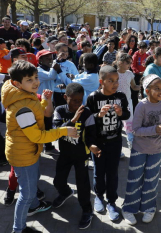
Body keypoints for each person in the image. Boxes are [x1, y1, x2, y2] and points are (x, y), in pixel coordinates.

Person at [2, 61, 77, 233]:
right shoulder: (22, 107)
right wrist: (62, 131)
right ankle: (18, 229)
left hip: (28, 150)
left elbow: (36, 113)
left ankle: (34, 205)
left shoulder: (24, 95)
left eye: (36, 77)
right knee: (26, 194)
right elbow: (36, 135)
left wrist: (44, 101)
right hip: (24, 154)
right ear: (17, 83)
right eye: (29, 79)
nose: (36, 82)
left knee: (32, 180)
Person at [121, 75, 161, 225]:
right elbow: (136, 130)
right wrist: (155, 129)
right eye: (156, 89)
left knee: (152, 180)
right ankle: (129, 209)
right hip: (139, 149)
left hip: (157, 149)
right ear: (147, 91)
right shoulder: (141, 106)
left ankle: (149, 208)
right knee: (135, 179)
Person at [86, 65, 130, 221]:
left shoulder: (121, 97)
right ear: (101, 81)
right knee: (98, 172)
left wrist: (120, 113)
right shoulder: (93, 97)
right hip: (98, 142)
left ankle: (112, 201)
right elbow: (87, 118)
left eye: (117, 80)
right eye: (110, 80)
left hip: (115, 142)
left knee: (112, 173)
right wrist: (98, 114)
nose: (115, 84)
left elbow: (126, 114)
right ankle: (99, 197)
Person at [52, 83, 96, 229]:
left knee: (82, 184)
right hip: (64, 154)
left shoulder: (87, 112)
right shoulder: (59, 110)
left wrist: (92, 146)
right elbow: (56, 130)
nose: (78, 104)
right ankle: (65, 192)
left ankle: (87, 210)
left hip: (81, 156)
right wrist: (73, 120)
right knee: (58, 180)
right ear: (65, 97)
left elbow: (91, 134)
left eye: (80, 100)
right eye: (75, 100)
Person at [113, 53, 140, 149]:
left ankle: (131, 142)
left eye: (131, 63)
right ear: (120, 63)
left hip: (128, 101)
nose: (130, 65)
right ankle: (117, 147)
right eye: (128, 62)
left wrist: (143, 87)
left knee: (129, 122)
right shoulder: (114, 74)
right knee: (116, 124)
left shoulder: (130, 74)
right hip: (115, 103)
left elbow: (133, 86)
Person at [53, 43, 78, 107]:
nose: (65, 53)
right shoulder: (53, 63)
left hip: (68, 92)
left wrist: (67, 84)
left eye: (66, 51)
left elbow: (76, 78)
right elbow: (51, 77)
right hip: (56, 92)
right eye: (62, 51)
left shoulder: (70, 64)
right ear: (56, 52)